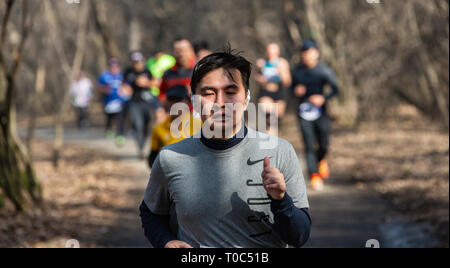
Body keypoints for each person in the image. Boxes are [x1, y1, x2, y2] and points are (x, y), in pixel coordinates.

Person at [140, 48, 311, 248]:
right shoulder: (171, 157)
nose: (220, 103)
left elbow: (299, 236)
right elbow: (151, 212)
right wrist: (165, 241)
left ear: (246, 98)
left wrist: (281, 200)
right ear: (193, 100)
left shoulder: (280, 152)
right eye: (208, 94)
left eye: (230, 92)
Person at [291, 40, 339, 191]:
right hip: (303, 112)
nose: (306, 56)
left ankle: (321, 160)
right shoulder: (297, 70)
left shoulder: (323, 70)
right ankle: (314, 176)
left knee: (324, 142)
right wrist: (296, 90)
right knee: (308, 143)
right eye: (303, 53)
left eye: (309, 52)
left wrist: (323, 98)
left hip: (321, 112)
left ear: (316, 53)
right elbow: (291, 87)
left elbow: (335, 89)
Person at [123, 51, 165, 158]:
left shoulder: (147, 71)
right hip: (134, 103)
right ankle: (140, 149)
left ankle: (143, 145)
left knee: (147, 125)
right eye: (135, 62)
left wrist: (145, 83)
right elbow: (124, 86)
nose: (137, 64)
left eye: (139, 62)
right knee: (138, 125)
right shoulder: (128, 72)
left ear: (142, 62)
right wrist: (127, 89)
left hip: (147, 103)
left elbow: (155, 83)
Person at [147, 85, 202, 168]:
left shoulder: (200, 125)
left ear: (187, 102)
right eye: (171, 100)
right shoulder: (159, 129)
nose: (174, 104)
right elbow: (152, 159)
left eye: (178, 100)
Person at [255, 43, 291, 136]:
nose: (271, 54)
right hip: (266, 92)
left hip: (279, 92)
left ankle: (275, 137)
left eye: (274, 52)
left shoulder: (282, 63)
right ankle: (266, 135)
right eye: (269, 52)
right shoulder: (262, 62)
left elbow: (287, 82)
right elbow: (256, 76)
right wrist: (260, 78)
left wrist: (281, 73)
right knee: (269, 116)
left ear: (278, 52)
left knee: (277, 119)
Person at [159, 38, 196, 103]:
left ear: (191, 51)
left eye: (184, 50)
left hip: (194, 111)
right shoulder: (168, 74)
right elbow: (161, 96)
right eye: (177, 51)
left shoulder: (199, 71)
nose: (181, 54)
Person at [97, 58, 125, 141]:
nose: (114, 68)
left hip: (120, 101)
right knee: (110, 117)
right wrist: (104, 89)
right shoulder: (104, 76)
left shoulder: (121, 75)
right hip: (108, 101)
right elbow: (98, 87)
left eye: (115, 66)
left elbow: (127, 86)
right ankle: (109, 129)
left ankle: (120, 135)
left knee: (120, 118)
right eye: (112, 66)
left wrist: (125, 91)